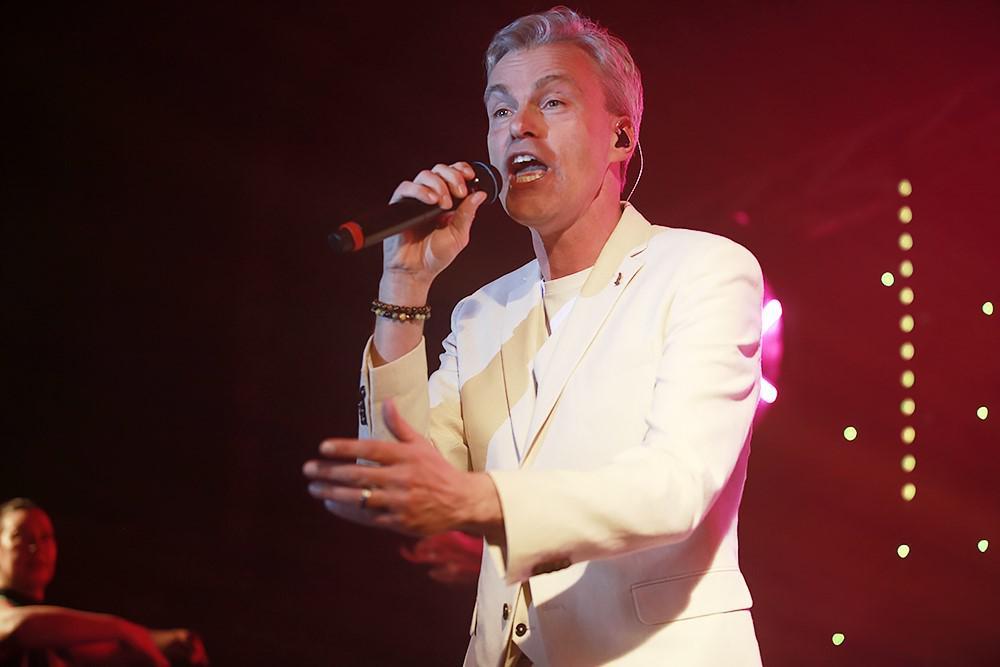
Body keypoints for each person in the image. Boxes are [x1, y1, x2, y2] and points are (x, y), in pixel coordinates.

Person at [304, 6, 764, 665]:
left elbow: (675, 486)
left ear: (620, 137)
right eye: (500, 109)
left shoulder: (702, 270)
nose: (518, 125)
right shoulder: (483, 313)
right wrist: (404, 284)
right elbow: (397, 476)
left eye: (552, 102)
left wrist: (480, 501)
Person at [0, 498, 209, 667]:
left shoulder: (54, 637)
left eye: (45, 537)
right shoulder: (13, 618)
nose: (36, 547)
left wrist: (163, 641)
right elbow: (16, 626)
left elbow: (108, 651)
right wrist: (124, 629)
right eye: (20, 536)